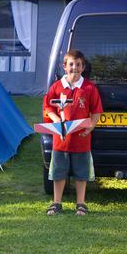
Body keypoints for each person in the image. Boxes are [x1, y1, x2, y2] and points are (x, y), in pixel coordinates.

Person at [43, 49, 102, 216]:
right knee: (58, 171)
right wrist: (55, 118)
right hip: (60, 139)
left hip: (81, 138)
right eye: (71, 64)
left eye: (78, 65)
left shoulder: (89, 88)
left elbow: (96, 111)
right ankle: (56, 203)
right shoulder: (56, 87)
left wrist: (91, 126)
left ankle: (81, 203)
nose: (74, 68)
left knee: (81, 172)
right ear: (64, 66)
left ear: (83, 68)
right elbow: (48, 107)